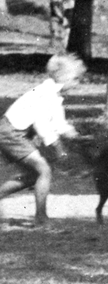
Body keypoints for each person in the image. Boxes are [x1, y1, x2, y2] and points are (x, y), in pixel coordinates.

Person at [0, 53, 86, 227]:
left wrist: (76, 135)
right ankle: (41, 218)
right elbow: (42, 126)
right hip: (10, 132)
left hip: (13, 133)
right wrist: (58, 146)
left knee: (34, 174)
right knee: (43, 170)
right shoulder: (46, 94)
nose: (78, 83)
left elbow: (59, 124)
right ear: (62, 77)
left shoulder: (54, 95)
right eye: (76, 79)